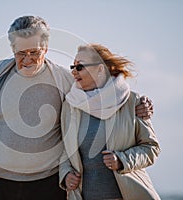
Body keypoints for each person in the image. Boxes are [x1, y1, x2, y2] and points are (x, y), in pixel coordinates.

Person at [0, 16, 153, 200]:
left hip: (49, 181)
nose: (27, 59)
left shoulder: (65, 80)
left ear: (46, 48)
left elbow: (102, 96)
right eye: (20, 53)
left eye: (34, 52)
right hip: (2, 182)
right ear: (12, 50)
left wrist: (139, 104)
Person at [59, 44, 160, 200]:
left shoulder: (133, 101)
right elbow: (65, 149)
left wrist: (122, 160)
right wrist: (66, 174)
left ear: (100, 69)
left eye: (79, 66)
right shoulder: (70, 105)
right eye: (73, 66)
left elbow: (151, 148)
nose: (73, 71)